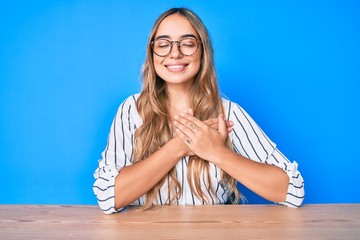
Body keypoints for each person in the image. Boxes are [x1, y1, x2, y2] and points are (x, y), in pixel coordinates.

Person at [93, 7, 305, 214]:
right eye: (163, 44)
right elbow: (108, 196)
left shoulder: (228, 114)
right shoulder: (131, 110)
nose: (175, 53)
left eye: (187, 43)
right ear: (152, 53)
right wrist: (179, 147)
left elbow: (293, 191)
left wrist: (216, 152)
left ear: (203, 52)